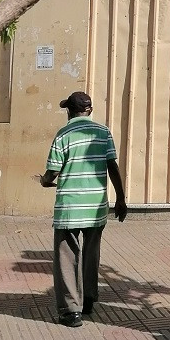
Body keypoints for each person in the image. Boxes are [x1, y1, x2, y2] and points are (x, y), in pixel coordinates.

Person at [37, 91, 127, 326]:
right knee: (91, 254)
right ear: (90, 110)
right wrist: (121, 199)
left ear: (69, 111)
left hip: (69, 207)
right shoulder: (103, 132)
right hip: (96, 206)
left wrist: (44, 180)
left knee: (67, 258)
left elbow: (52, 172)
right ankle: (88, 299)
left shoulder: (63, 134)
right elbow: (112, 166)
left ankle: (70, 310)